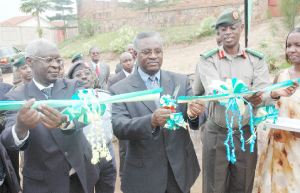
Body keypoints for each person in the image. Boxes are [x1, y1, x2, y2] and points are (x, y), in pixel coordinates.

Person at [193, 8, 299, 193]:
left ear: (241, 27)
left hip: (246, 135)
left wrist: (273, 94)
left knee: (242, 187)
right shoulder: (207, 60)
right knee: (213, 188)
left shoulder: (256, 59)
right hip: (217, 133)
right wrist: (251, 96)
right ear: (217, 32)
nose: (227, 33)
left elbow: (263, 94)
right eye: (222, 29)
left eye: (232, 28)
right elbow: (216, 92)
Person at [109, 30, 206, 193]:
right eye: (147, 52)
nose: (153, 56)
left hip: (179, 172)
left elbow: (198, 112)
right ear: (135, 53)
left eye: (158, 51)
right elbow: (120, 127)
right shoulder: (120, 90)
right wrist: (151, 121)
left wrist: (195, 113)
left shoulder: (180, 81)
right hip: (144, 177)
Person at [1, 39, 100, 193]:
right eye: (49, 60)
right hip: (43, 183)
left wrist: (66, 121)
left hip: (80, 177)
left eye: (58, 60)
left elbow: (92, 111)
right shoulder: (16, 97)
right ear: (30, 61)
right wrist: (20, 128)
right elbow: (7, 138)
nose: (56, 65)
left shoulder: (74, 85)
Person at [258, 27, 300, 192]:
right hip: (279, 146)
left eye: (298, 45)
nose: (291, 50)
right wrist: (273, 95)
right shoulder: (281, 76)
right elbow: (265, 104)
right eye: (288, 45)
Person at [68, 61, 117, 193]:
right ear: (71, 80)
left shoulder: (105, 96)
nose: (84, 77)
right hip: (83, 157)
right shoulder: (68, 101)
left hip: (106, 153)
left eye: (87, 73)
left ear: (93, 76)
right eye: (78, 74)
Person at [107, 52, 134, 178]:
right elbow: (111, 101)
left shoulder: (139, 76)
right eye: (125, 61)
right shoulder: (114, 80)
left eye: (130, 60)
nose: (128, 63)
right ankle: (124, 174)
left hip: (139, 116)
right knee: (124, 148)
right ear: (120, 63)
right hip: (123, 117)